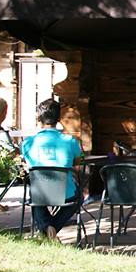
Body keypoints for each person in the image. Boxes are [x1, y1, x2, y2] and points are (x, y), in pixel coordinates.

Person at [21, 98, 83, 240]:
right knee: (78, 198)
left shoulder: (27, 143)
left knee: (36, 195)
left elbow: (26, 162)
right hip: (65, 192)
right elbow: (78, 161)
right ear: (59, 118)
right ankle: (52, 228)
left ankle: (46, 229)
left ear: (39, 118)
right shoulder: (70, 141)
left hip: (39, 191)